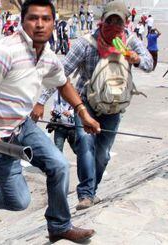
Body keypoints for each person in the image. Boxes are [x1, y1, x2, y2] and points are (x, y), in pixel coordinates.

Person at [0, 0, 99, 242]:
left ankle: (59, 226)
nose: (39, 24)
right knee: (18, 202)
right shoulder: (4, 52)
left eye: (45, 19)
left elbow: (62, 83)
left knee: (59, 166)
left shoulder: (48, 56)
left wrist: (83, 112)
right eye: (33, 18)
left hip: (22, 126)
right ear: (22, 21)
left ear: (53, 23)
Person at [34, 0, 153, 211]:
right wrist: (41, 101)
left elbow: (149, 64)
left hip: (114, 107)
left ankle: (92, 190)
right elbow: (61, 74)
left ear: (126, 24)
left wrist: (135, 59)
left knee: (103, 154)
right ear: (101, 22)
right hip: (86, 104)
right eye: (110, 22)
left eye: (119, 23)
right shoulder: (86, 43)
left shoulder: (130, 41)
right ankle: (86, 194)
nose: (114, 28)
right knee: (85, 145)